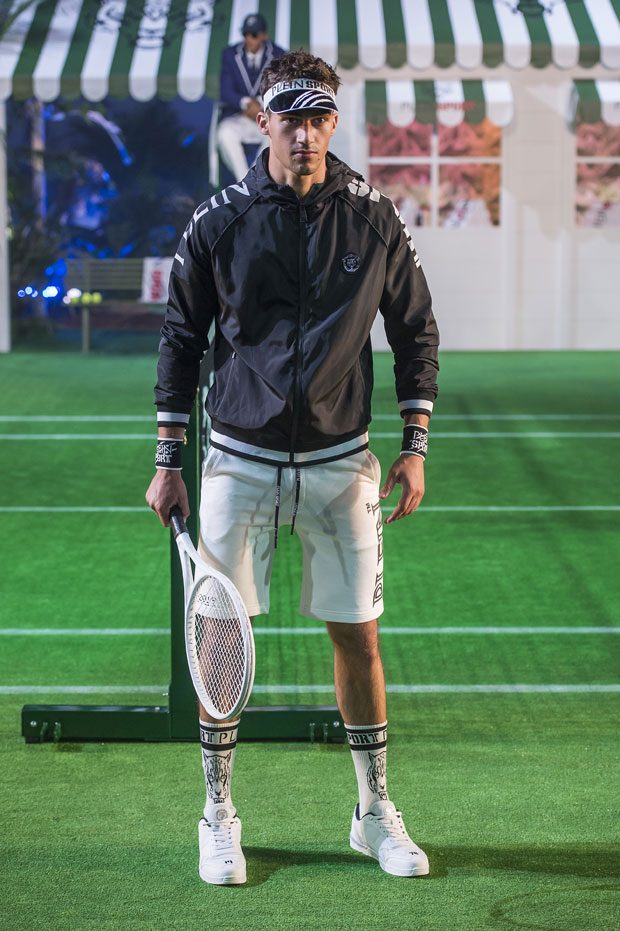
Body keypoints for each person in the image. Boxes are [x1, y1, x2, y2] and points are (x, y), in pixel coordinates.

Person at [146, 49, 439, 886]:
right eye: (289, 118)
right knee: (221, 639)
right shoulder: (218, 220)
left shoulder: (374, 217)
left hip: (343, 462)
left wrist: (415, 443)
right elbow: (181, 339)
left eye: (318, 118)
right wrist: (168, 458)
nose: (304, 134)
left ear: (334, 121)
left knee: (359, 637)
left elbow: (415, 329)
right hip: (237, 459)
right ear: (261, 119)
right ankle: (218, 814)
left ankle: (373, 811)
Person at [216, 12, 286, 181]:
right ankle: (245, 183)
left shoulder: (279, 54)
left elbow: (282, 88)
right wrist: (246, 103)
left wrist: (260, 105)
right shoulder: (230, 54)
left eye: (253, 34)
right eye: (245, 34)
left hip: (267, 117)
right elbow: (225, 91)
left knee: (278, 138)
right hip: (239, 116)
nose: (248, 38)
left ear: (264, 35)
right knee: (224, 134)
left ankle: (256, 180)